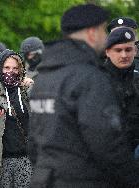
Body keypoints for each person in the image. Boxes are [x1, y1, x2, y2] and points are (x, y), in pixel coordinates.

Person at [28, 4, 139, 188]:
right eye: (103, 30)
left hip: (46, 179)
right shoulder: (90, 77)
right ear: (92, 33)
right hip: (84, 180)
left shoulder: (45, 76)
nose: (106, 37)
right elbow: (106, 142)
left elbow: (34, 144)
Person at [0, 49, 34, 187]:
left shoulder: (25, 88)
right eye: (7, 67)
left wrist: (32, 85)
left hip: (25, 157)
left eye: (15, 68)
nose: (11, 72)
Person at [104, 27, 139, 157]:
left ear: (135, 51)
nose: (124, 55)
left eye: (128, 50)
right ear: (107, 52)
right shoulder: (95, 80)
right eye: (118, 50)